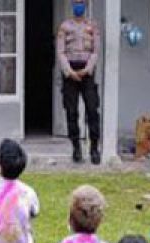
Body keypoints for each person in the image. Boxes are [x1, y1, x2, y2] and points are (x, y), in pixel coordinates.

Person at [58, 1, 102, 164]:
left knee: (92, 109)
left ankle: (94, 148)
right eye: (76, 3)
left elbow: (96, 51)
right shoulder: (64, 26)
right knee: (71, 111)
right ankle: (76, 147)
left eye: (81, 3)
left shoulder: (92, 26)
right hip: (70, 71)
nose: (79, 6)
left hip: (87, 71)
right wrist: (69, 71)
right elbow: (61, 51)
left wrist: (87, 69)